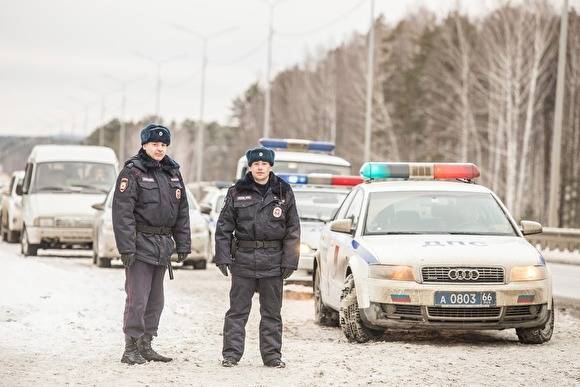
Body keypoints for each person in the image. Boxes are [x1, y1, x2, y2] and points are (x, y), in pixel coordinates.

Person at [214, 146, 300, 368]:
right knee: (237, 312)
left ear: (270, 166)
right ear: (249, 167)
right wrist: (223, 257)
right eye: (255, 164)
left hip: (273, 261)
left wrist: (290, 260)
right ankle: (231, 355)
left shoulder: (283, 191)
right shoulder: (236, 191)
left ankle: (272, 356)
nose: (260, 168)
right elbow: (224, 228)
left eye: (264, 164)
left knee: (272, 313)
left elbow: (293, 229)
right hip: (243, 260)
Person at [112, 123, 191, 365]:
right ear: (144, 145)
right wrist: (126, 248)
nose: (159, 149)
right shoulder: (132, 172)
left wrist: (183, 244)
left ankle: (146, 344)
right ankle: (130, 348)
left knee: (156, 300)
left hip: (162, 246)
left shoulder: (173, 174)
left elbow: (182, 212)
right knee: (137, 299)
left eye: (163, 145)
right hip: (139, 245)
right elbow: (122, 213)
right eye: (155, 144)